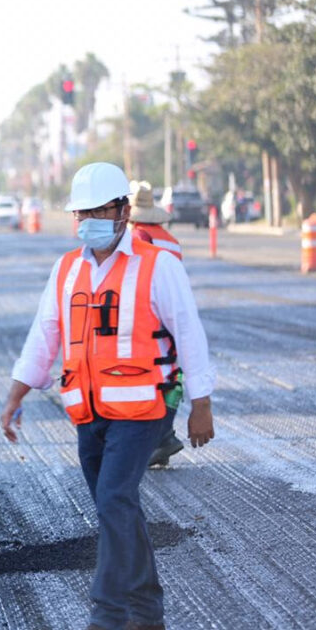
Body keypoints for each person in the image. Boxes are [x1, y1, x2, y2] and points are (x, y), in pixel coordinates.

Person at [0, 161, 215, 630]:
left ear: (123, 212)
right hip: (89, 413)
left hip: (144, 411)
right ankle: (148, 616)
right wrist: (16, 394)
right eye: (83, 212)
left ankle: (109, 618)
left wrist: (200, 404)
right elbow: (44, 336)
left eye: (100, 210)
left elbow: (190, 336)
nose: (90, 219)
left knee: (115, 501)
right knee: (116, 510)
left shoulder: (158, 266)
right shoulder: (67, 269)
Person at [128, 181, 185, 467]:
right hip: (174, 310)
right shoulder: (171, 240)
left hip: (149, 312)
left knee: (148, 376)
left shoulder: (137, 235)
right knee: (172, 375)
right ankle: (163, 436)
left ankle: (160, 437)